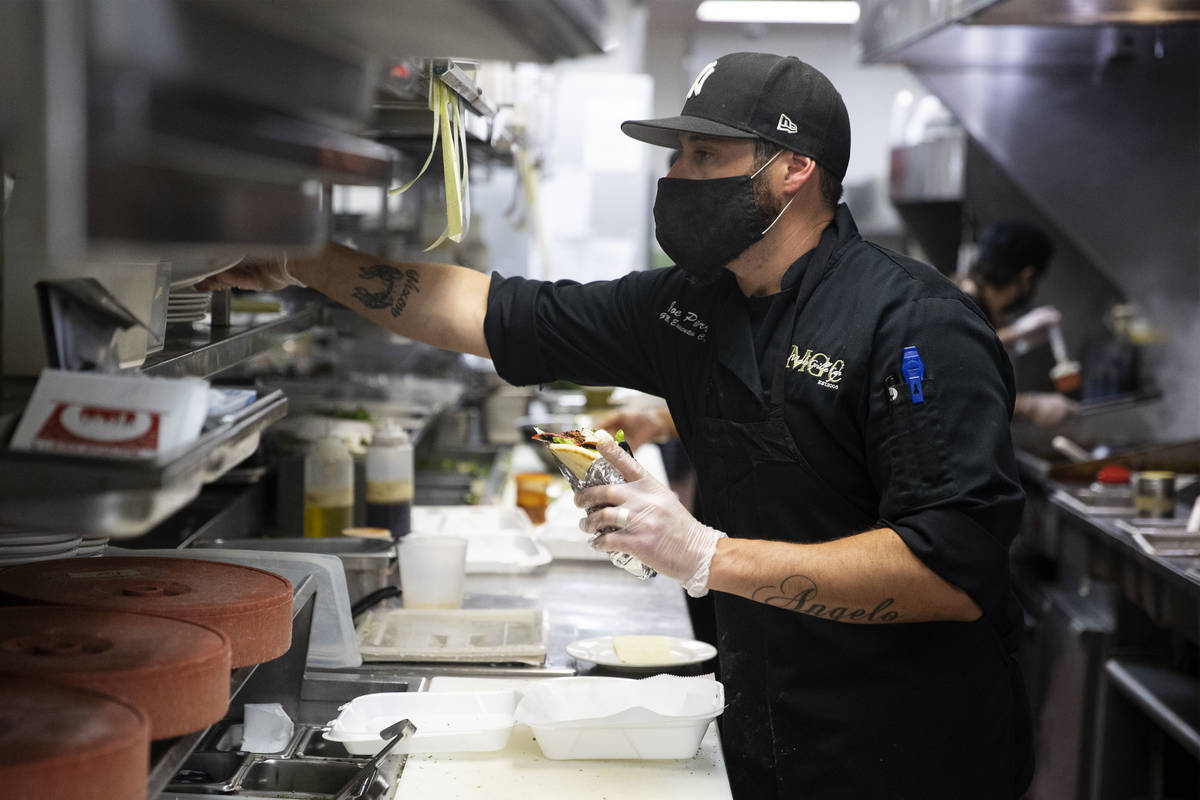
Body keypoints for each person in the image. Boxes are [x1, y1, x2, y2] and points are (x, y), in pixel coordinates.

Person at [199, 52, 1033, 799]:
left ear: (794, 170)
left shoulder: (916, 324)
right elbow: (496, 312)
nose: (678, 174)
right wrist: (308, 259)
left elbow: (948, 573)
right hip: (763, 734)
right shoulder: (694, 306)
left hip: (913, 754)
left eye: (707, 155)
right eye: (677, 154)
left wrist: (703, 554)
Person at [957, 221, 1078, 426]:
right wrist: (1029, 405)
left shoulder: (984, 303)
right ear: (1027, 275)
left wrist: (1014, 337)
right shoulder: (963, 304)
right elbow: (961, 388)